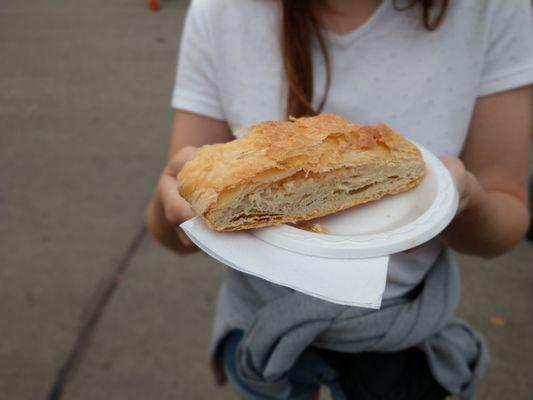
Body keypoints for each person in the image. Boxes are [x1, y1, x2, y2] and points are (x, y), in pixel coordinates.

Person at [146, 0, 533, 399]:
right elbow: (172, 217)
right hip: (262, 330)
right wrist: (171, 209)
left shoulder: (494, 9)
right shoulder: (222, 12)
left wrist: (461, 200)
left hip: (401, 333)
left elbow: (507, 211)